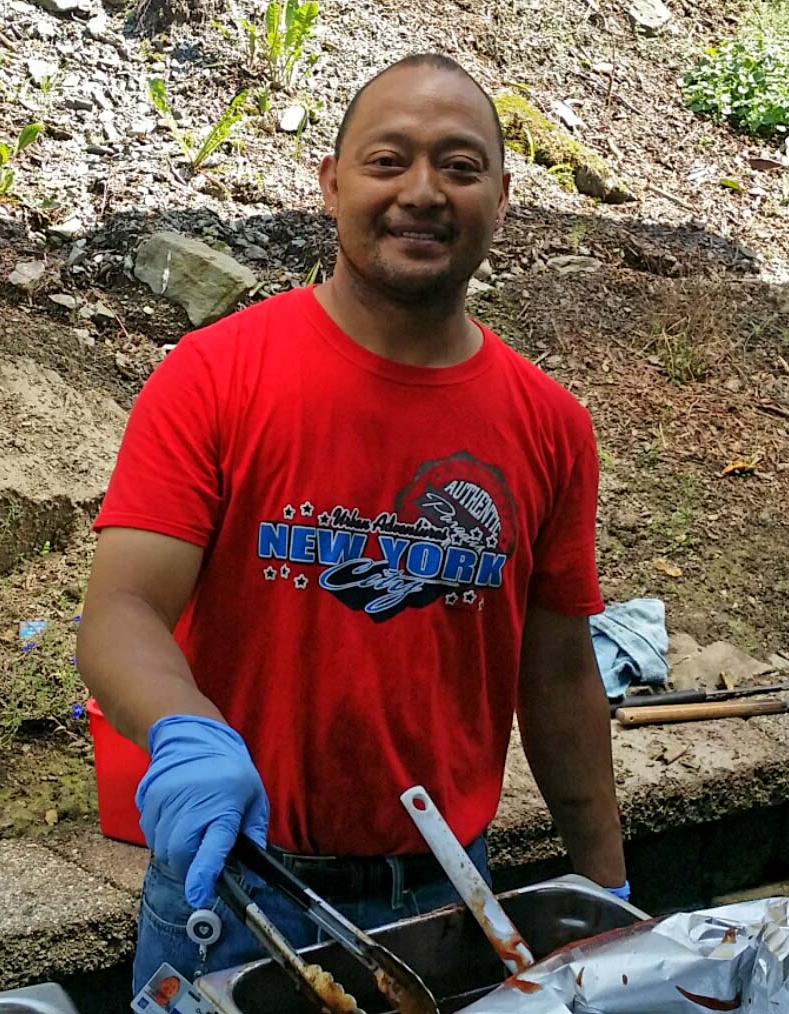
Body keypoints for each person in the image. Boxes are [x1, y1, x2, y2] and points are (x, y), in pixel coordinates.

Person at [77, 53, 628, 993]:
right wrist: (184, 730)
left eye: (458, 166)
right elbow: (122, 608)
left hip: (454, 898)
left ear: (501, 196)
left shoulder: (549, 425)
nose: (422, 191)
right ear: (331, 184)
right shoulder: (217, 375)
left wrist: (609, 891)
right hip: (237, 892)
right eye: (387, 161)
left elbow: (561, 672)